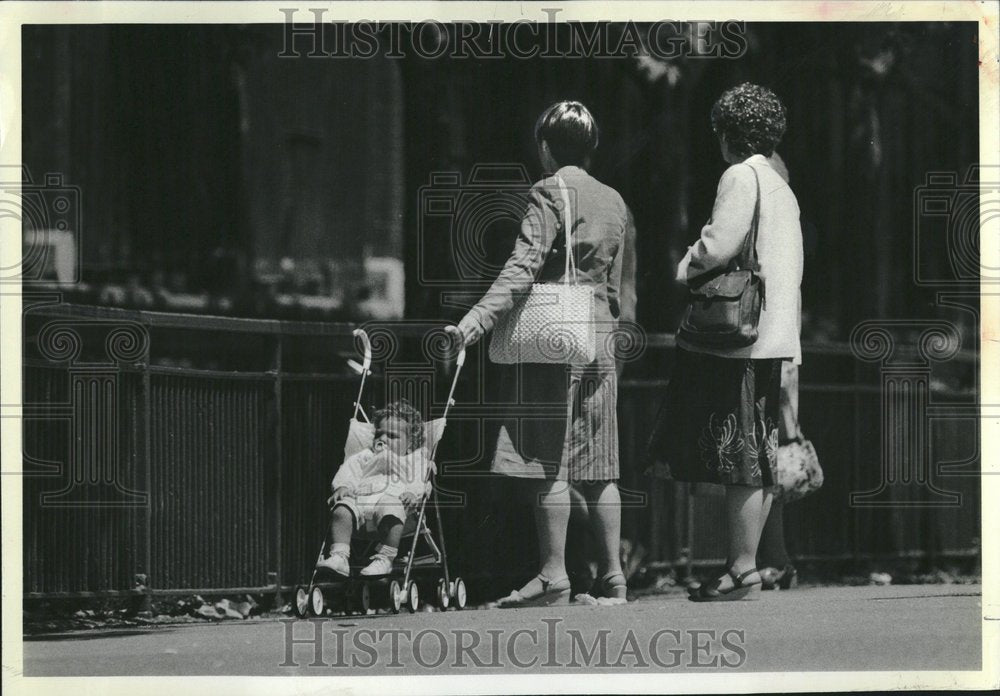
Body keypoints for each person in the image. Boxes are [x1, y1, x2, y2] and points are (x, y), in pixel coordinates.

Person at [450, 100, 632, 607]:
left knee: (548, 462)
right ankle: (614, 579)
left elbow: (522, 266)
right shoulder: (615, 200)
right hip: (600, 339)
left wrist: (475, 322)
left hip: (554, 339)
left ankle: (553, 576)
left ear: (546, 148)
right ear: (591, 150)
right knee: (600, 466)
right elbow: (618, 287)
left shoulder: (547, 191)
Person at [648, 83, 803, 601]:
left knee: (738, 454)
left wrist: (685, 261)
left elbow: (719, 243)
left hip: (737, 337)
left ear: (727, 135)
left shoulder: (740, 175)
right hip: (770, 335)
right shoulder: (781, 185)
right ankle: (746, 566)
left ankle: (740, 568)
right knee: (754, 453)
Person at [315, 399, 431, 577]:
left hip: (392, 504)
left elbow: (420, 480)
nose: (383, 439)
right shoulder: (365, 456)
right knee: (341, 510)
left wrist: (412, 492)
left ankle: (384, 559)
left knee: (391, 509)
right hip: (360, 501)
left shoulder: (414, 460)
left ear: (410, 444)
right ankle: (340, 556)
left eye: (392, 436)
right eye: (379, 434)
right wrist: (343, 486)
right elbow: (348, 471)